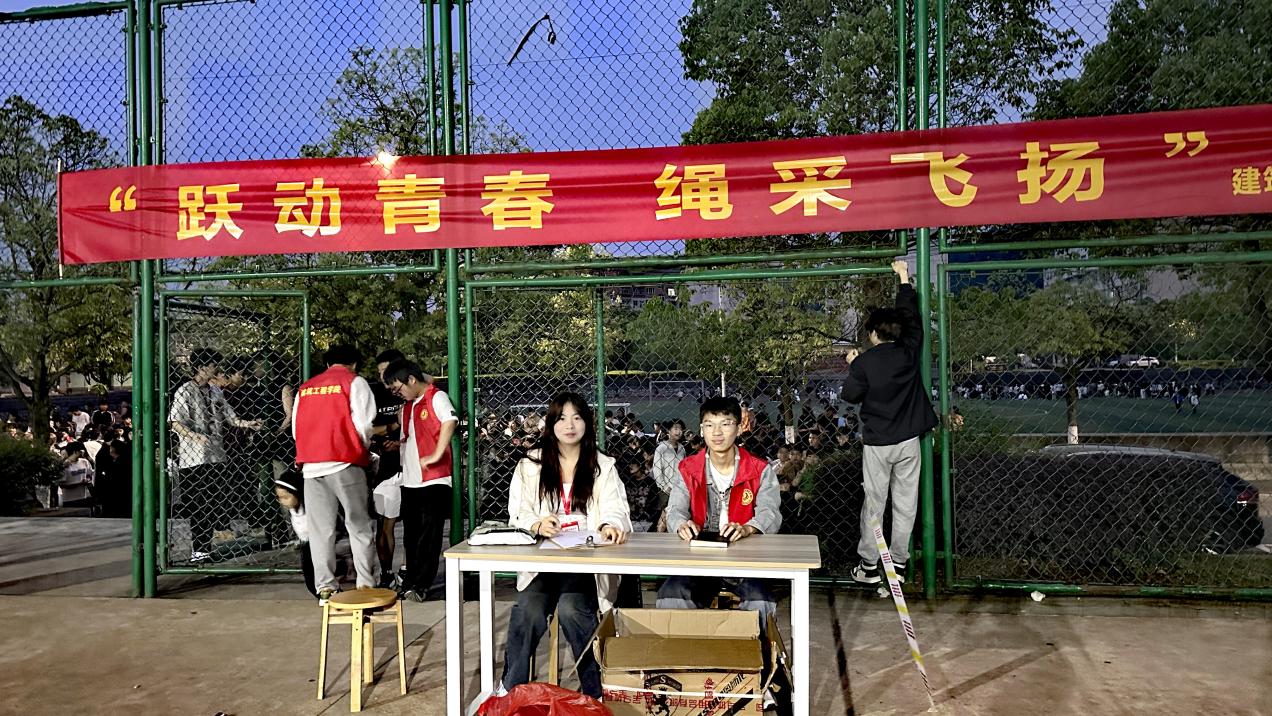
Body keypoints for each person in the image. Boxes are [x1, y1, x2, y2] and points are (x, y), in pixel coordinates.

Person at [499, 392, 631, 699]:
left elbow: (616, 507)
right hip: (544, 560)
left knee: (573, 609)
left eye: (577, 418)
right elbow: (518, 511)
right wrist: (537, 524)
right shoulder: (531, 464)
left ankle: (595, 692)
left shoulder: (602, 465)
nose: (569, 426)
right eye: (561, 418)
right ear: (550, 424)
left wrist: (609, 524)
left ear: (587, 422)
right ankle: (510, 688)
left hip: (586, 559)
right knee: (528, 609)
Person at [842, 260, 939, 585]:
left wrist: (854, 365)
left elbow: (851, 395)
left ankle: (869, 566)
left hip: (878, 443)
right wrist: (903, 279)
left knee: (874, 503)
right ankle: (897, 562)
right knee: (905, 503)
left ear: (872, 334)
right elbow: (911, 318)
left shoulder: (865, 362)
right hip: (909, 440)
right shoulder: (909, 350)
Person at [656, 396, 782, 624]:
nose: (716, 432)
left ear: (739, 428)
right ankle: (685, 646)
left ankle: (756, 647)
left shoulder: (759, 470)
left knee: (760, 601)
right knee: (671, 595)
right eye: (709, 425)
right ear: (701, 429)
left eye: (725, 424)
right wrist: (681, 524)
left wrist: (748, 528)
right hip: (698, 560)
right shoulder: (687, 469)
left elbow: (770, 512)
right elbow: (675, 509)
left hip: (745, 561)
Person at [292, 344, 380, 602]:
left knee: (320, 531)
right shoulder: (354, 382)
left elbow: (297, 429)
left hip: (311, 465)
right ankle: (365, 584)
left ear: (328, 363)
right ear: (354, 363)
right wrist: (362, 451)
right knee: (359, 525)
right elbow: (364, 424)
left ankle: (326, 588)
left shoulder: (306, 388)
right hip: (345, 461)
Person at [169, 348, 263, 561]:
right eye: (213, 365)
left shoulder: (215, 391)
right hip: (193, 458)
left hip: (216, 456)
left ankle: (204, 548)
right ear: (201, 367)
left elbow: (231, 417)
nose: (217, 369)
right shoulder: (185, 390)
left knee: (212, 503)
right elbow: (175, 422)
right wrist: (194, 436)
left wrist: (248, 423)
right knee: (199, 505)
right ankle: (199, 549)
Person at [382, 359, 458, 602]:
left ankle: (422, 584)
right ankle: (411, 581)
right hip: (411, 480)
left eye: (399, 388)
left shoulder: (436, 397)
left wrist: (436, 454)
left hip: (434, 479)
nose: (398, 393)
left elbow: (449, 421)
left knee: (429, 536)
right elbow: (412, 438)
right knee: (412, 536)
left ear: (412, 380)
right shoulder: (408, 406)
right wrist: (397, 446)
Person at [371, 348, 406, 588]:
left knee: (413, 524)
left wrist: (402, 442)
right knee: (385, 523)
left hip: (413, 467)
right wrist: (391, 429)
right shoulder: (373, 394)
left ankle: (407, 571)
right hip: (386, 468)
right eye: (380, 372)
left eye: (387, 370)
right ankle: (386, 573)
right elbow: (364, 429)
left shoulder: (412, 391)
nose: (383, 376)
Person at [273, 471, 317, 597]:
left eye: (286, 497)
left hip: (320, 542)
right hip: (307, 544)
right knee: (309, 573)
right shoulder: (293, 510)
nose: (282, 501)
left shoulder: (310, 507)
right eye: (279, 498)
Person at [650, 419, 686, 531]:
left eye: (681, 429)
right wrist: (664, 487)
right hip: (665, 488)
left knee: (673, 513)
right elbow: (657, 470)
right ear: (669, 431)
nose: (679, 432)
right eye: (675, 429)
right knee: (666, 512)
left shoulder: (682, 448)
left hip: (679, 487)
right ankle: (659, 532)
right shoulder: (661, 448)